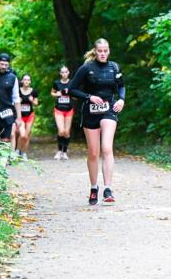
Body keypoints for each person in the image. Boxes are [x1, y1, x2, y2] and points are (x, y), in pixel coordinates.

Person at [68, 38, 125, 205]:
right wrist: (89, 97)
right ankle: (94, 188)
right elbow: (71, 89)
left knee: (107, 148)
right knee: (94, 152)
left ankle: (108, 188)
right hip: (90, 112)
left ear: (109, 51)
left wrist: (121, 99)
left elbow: (121, 86)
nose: (103, 54)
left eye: (105, 51)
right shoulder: (87, 68)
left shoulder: (114, 67)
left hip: (109, 109)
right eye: (100, 51)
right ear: (95, 51)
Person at [51, 65, 75, 160]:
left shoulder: (72, 83)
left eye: (66, 72)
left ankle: (64, 152)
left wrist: (71, 93)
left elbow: (76, 96)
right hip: (59, 109)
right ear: (60, 74)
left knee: (67, 132)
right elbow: (52, 92)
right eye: (62, 72)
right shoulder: (56, 83)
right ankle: (59, 151)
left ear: (68, 73)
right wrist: (56, 94)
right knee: (61, 131)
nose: (64, 74)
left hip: (69, 109)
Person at [15, 74, 39, 160]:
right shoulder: (17, 91)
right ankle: (17, 151)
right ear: (22, 81)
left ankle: (24, 153)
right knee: (23, 135)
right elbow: (13, 103)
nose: (26, 81)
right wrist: (18, 101)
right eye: (25, 79)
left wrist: (32, 100)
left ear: (30, 82)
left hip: (30, 116)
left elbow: (36, 103)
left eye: (28, 80)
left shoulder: (33, 91)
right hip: (20, 116)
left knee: (27, 135)